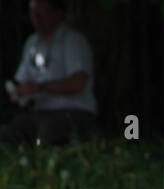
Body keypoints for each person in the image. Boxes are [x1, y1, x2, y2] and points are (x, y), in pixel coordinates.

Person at [1, 0, 96, 147]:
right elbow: (21, 80)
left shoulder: (73, 41)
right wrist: (18, 92)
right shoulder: (32, 43)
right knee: (9, 133)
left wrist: (40, 88)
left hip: (72, 110)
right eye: (33, 13)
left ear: (58, 14)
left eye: (41, 13)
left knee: (48, 132)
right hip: (38, 113)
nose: (36, 18)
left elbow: (78, 83)